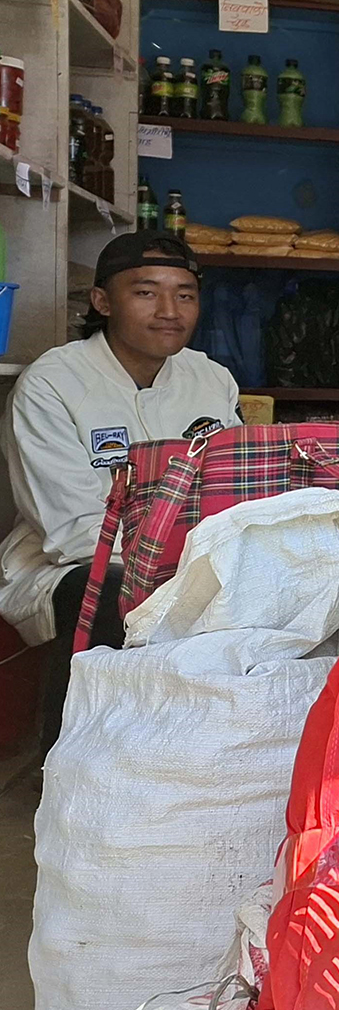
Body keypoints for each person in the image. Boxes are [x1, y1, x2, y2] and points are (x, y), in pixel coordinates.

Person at [0, 231, 240, 757]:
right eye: (146, 292)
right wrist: (184, 572)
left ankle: (206, 759)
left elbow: (234, 491)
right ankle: (70, 764)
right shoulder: (52, 384)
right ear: (103, 301)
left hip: (196, 556)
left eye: (185, 294)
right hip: (70, 562)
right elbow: (71, 529)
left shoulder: (211, 378)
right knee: (114, 593)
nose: (169, 311)